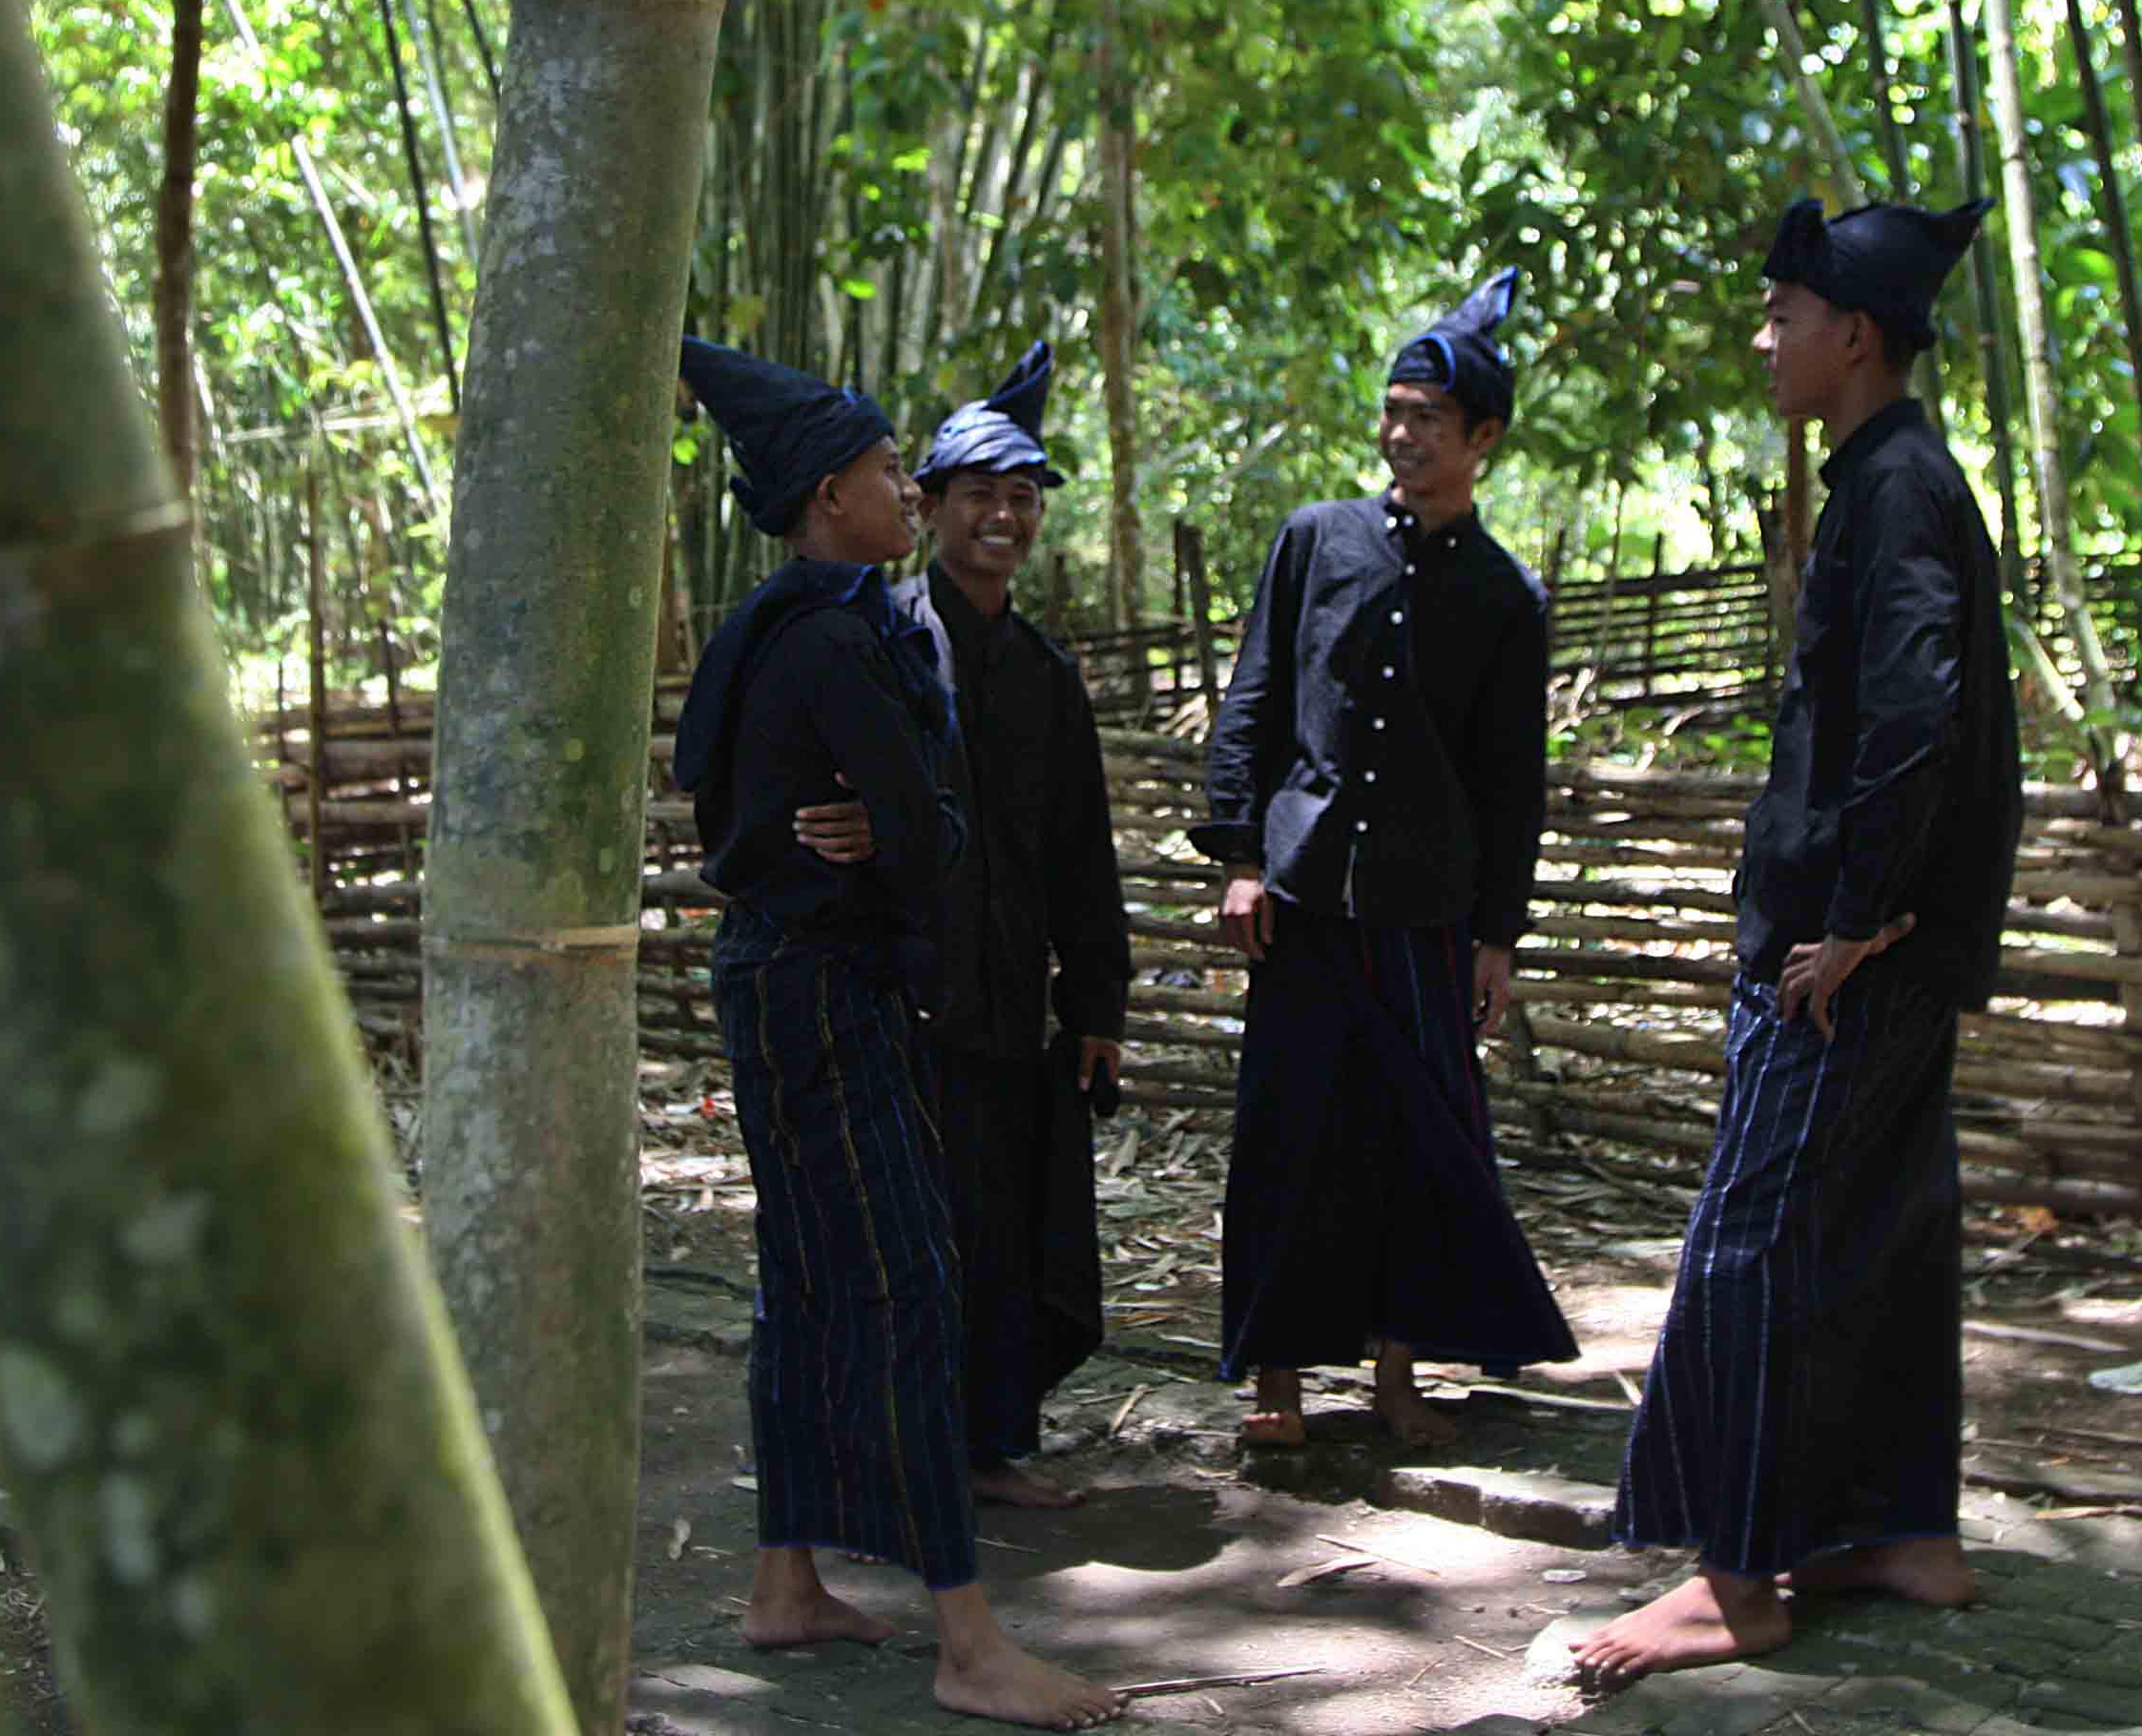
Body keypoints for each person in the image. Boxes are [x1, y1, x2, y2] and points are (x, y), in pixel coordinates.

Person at [1571, 196, 2022, 1687]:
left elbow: (1917, 716)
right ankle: (1900, 1529)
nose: (1764, 340)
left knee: (1753, 1237)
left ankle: (1741, 1575)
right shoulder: (1898, 475)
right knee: (1884, 1223)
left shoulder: (1895, 488)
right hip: (1896, 938)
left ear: (1857, 336)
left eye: (1782, 316)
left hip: (1849, 952)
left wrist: (1850, 923)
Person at [670, 336, 1120, 1731]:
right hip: (828, 996)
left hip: (787, 979)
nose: (906, 493)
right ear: (824, 499)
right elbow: (927, 835)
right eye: (885, 472)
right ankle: (969, 1638)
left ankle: (784, 1583)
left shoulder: (800, 624)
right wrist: (891, 837)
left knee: (805, 1281)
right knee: (912, 1285)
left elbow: (752, 805)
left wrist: (872, 832)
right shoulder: (833, 636)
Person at [1192, 269, 1577, 1452]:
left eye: (1429, 418)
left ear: (1485, 439)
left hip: (1423, 911)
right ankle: (1280, 1384)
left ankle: (1397, 1374)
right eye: (1394, 412)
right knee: (1290, 1134)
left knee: (1418, 1144)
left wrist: (1497, 936)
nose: (1403, 436)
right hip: (1305, 895)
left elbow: (1513, 783)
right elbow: (1254, 699)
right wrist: (1244, 855)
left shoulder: (1507, 596)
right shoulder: (1317, 541)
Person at [803, 342, 1133, 1509]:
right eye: (979, 494)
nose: (1003, 515)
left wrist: (1095, 1006)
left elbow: (1082, 856)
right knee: (903, 1229)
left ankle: (986, 1445)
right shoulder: (874, 643)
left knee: (1003, 1227)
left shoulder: (1046, 674)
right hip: (897, 994)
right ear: (928, 505)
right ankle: (886, 1449)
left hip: (1008, 1000)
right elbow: (802, 792)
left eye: (1023, 495)